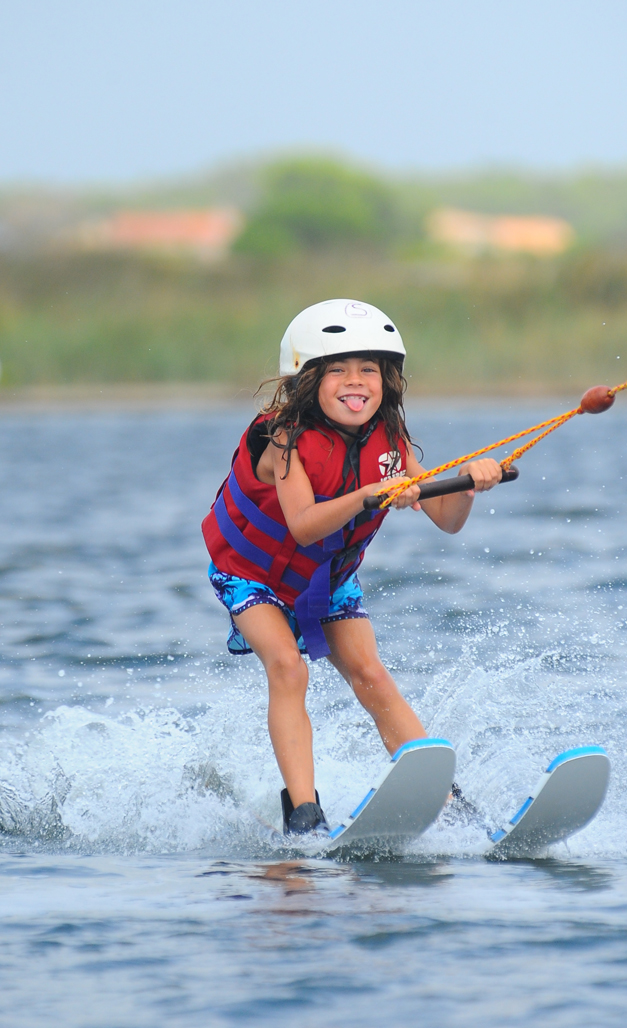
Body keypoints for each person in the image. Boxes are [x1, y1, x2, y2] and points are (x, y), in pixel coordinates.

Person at [202, 299, 502, 835]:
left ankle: (447, 801)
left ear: (387, 380)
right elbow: (303, 526)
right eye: (337, 369)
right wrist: (371, 494)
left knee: (371, 675)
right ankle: (304, 813)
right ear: (308, 378)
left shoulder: (391, 442)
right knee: (289, 668)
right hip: (252, 576)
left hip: (328, 581)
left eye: (368, 369)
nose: (354, 381)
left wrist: (474, 482)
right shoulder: (285, 440)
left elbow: (447, 519)